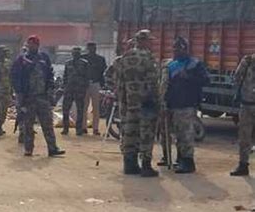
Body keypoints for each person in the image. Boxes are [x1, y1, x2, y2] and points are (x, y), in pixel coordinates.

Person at [159, 36, 209, 174]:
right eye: (174, 48)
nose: (175, 50)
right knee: (176, 134)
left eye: (179, 48)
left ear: (185, 49)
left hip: (187, 104)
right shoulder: (170, 65)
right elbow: (164, 86)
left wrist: (189, 77)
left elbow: (205, 80)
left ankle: (188, 162)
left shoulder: (195, 64)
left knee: (186, 134)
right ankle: (179, 159)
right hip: (172, 104)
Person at [11, 35, 65, 157]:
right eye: (30, 44)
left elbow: (50, 74)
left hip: (42, 97)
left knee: (47, 123)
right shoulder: (22, 60)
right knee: (28, 125)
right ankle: (28, 149)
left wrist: (50, 89)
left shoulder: (44, 58)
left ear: (38, 45)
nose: (32, 46)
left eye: (34, 44)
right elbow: (14, 76)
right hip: (28, 98)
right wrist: (19, 93)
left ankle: (52, 148)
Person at [115, 30, 159, 177]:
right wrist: (156, 100)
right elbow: (153, 81)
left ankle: (129, 165)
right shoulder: (148, 57)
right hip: (145, 103)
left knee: (129, 134)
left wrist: (123, 100)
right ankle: (146, 166)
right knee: (146, 134)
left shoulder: (125, 57)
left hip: (128, 104)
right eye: (149, 41)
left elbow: (119, 80)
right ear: (144, 41)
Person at [231, 52, 255, 176]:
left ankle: (243, 165)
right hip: (247, 104)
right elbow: (237, 78)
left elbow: (236, 78)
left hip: (248, 104)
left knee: (245, 137)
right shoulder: (248, 61)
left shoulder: (248, 61)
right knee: (244, 137)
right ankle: (243, 165)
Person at [61, 47, 90, 136]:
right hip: (69, 89)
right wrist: (64, 87)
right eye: (74, 53)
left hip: (79, 89)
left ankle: (79, 129)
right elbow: (65, 76)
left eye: (77, 53)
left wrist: (85, 87)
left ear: (80, 54)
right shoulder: (68, 63)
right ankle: (65, 128)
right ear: (72, 54)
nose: (76, 54)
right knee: (65, 109)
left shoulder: (84, 63)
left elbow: (87, 77)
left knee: (80, 109)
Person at [82, 41, 107, 136]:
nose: (92, 49)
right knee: (84, 107)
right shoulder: (82, 58)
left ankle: (95, 128)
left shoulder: (100, 59)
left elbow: (102, 73)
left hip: (96, 83)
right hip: (85, 84)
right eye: (91, 48)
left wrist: (103, 85)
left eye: (94, 48)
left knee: (96, 108)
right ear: (88, 48)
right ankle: (84, 127)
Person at [0, 45, 12, 131]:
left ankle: (0, 125)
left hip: (7, 88)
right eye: (2, 51)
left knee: (4, 110)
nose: (4, 53)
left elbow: (11, 75)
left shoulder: (8, 62)